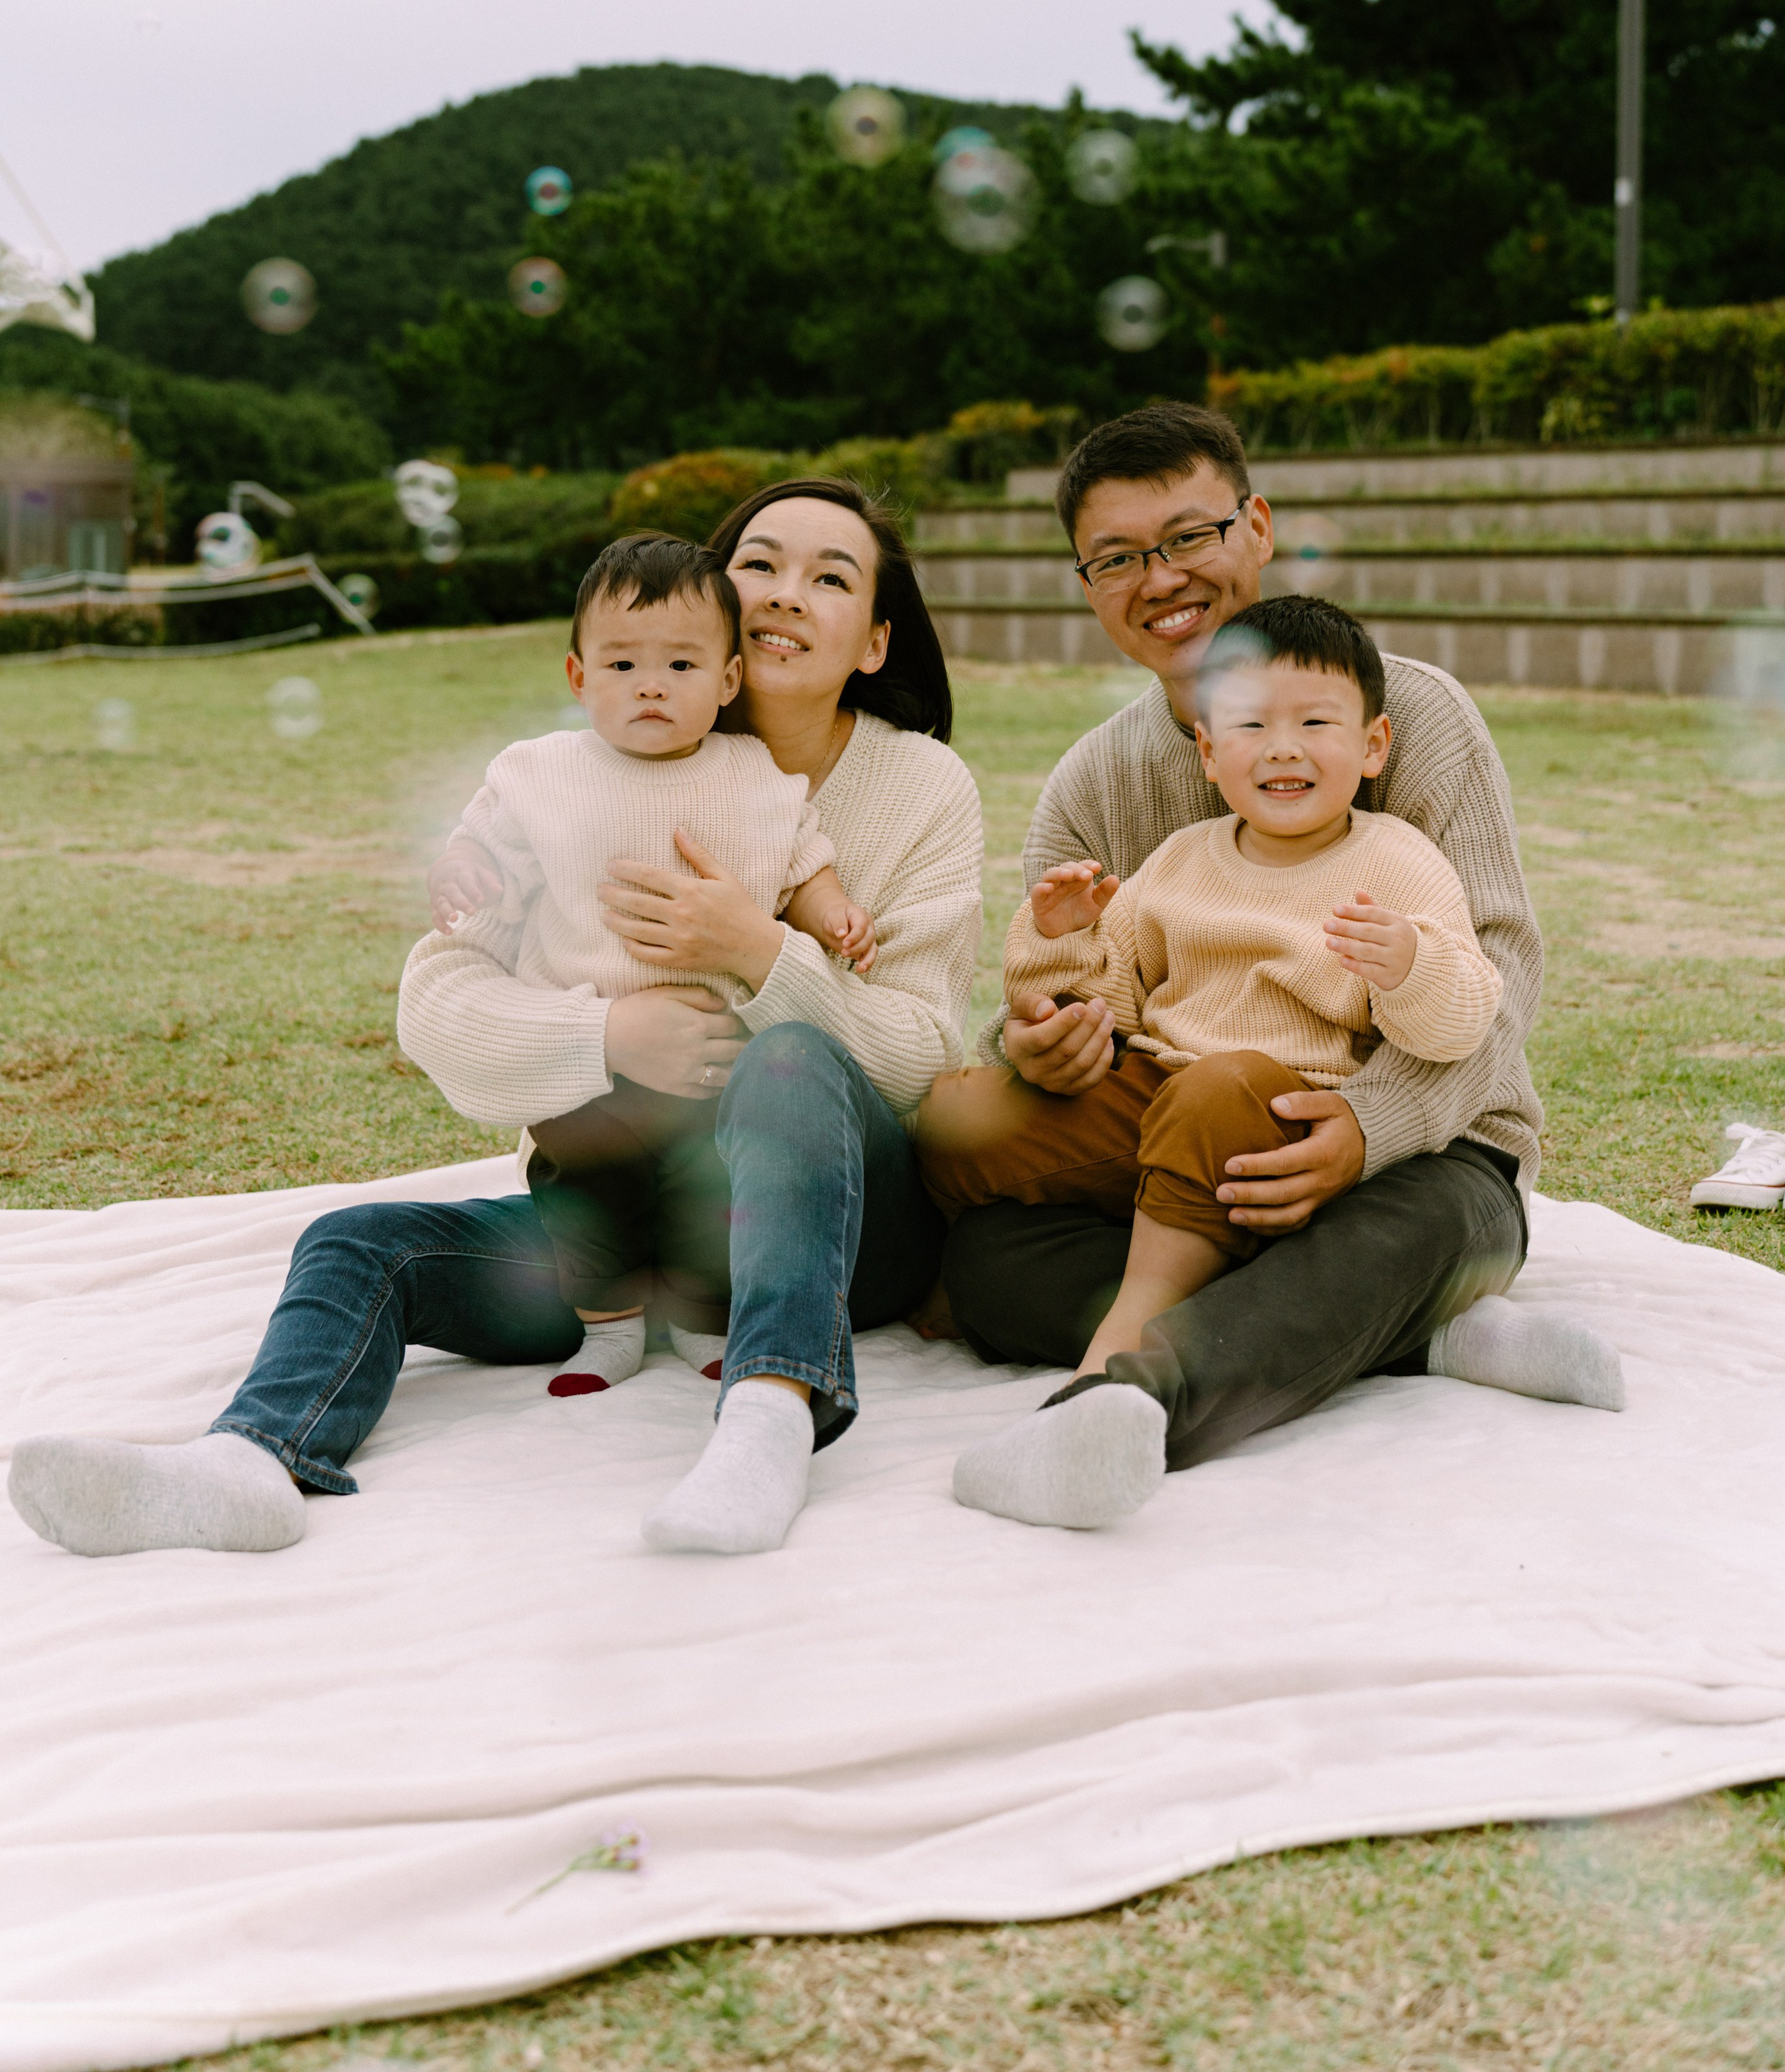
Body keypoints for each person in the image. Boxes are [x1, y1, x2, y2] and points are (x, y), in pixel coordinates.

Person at [10, 478, 983, 1563]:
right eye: (759, 563)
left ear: (876, 641)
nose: (785, 593)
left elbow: (924, 1061)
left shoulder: (921, 788)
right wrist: (604, 1039)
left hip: (839, 1225)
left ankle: (768, 1418)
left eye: (831, 576)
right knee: (357, 1244)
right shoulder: (566, 781)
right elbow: (438, 1000)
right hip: (619, 1227)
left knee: (791, 1062)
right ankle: (247, 1463)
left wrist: (755, 952)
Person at [920, 401, 1621, 1535]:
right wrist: (1044, 1044)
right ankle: (1403, 1328)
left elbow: (1499, 967)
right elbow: (1072, 980)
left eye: (1190, 537)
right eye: (1120, 557)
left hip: (1424, 1156)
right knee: (997, 1262)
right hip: (1177, 1158)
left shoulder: (1411, 713)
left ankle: (1128, 1403)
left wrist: (1367, 1126)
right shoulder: (1090, 784)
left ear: (1257, 528)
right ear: (1088, 585)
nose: (1162, 577)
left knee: (1426, 1226)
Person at [928, 594, 1505, 1383]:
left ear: (1373, 746)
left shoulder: (1394, 861)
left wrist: (1412, 966)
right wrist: (1060, 942)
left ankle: (1121, 1350)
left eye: (1314, 724)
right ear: (1207, 750)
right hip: (1157, 1098)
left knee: (1216, 1087)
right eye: (1251, 725)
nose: (1281, 750)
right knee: (952, 1114)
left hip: (1279, 1111)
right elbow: (1108, 1004)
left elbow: (1465, 1018)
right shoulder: (1178, 859)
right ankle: (921, 1272)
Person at [416, 529, 876, 1359]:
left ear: (728, 679)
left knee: (714, 1194)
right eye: (623, 666)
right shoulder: (539, 773)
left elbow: (801, 856)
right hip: (587, 1073)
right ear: (578, 677)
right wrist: (459, 868)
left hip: (714, 1070)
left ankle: (705, 1321)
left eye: (681, 666)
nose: (651, 688)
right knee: (585, 1195)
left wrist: (830, 907)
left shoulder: (752, 773)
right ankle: (607, 1327)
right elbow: (485, 845)